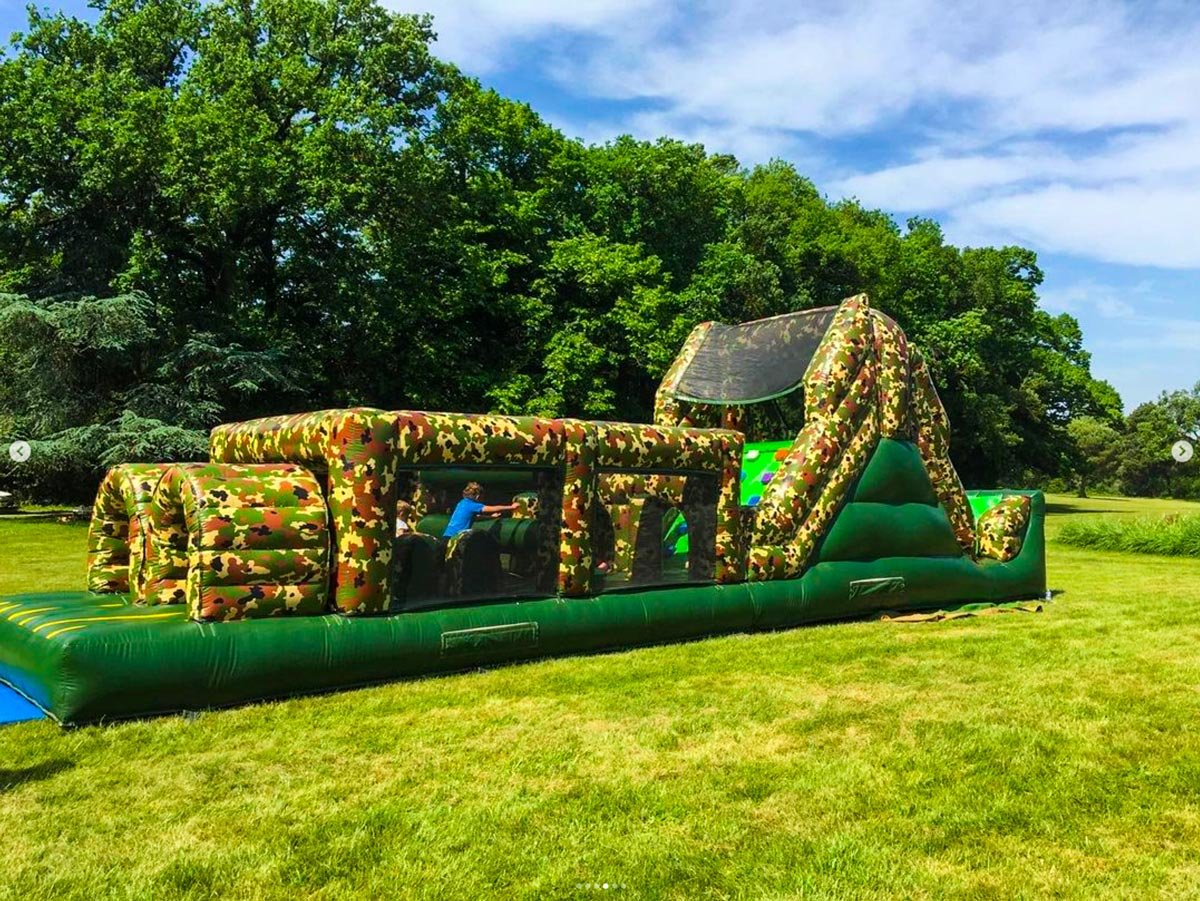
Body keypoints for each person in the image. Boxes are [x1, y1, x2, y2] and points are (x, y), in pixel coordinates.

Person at [442, 482, 517, 539]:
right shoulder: (472, 505)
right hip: (457, 538)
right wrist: (511, 507)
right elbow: (493, 508)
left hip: (447, 536)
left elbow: (476, 518)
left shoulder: (462, 503)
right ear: (478, 496)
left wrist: (492, 517)